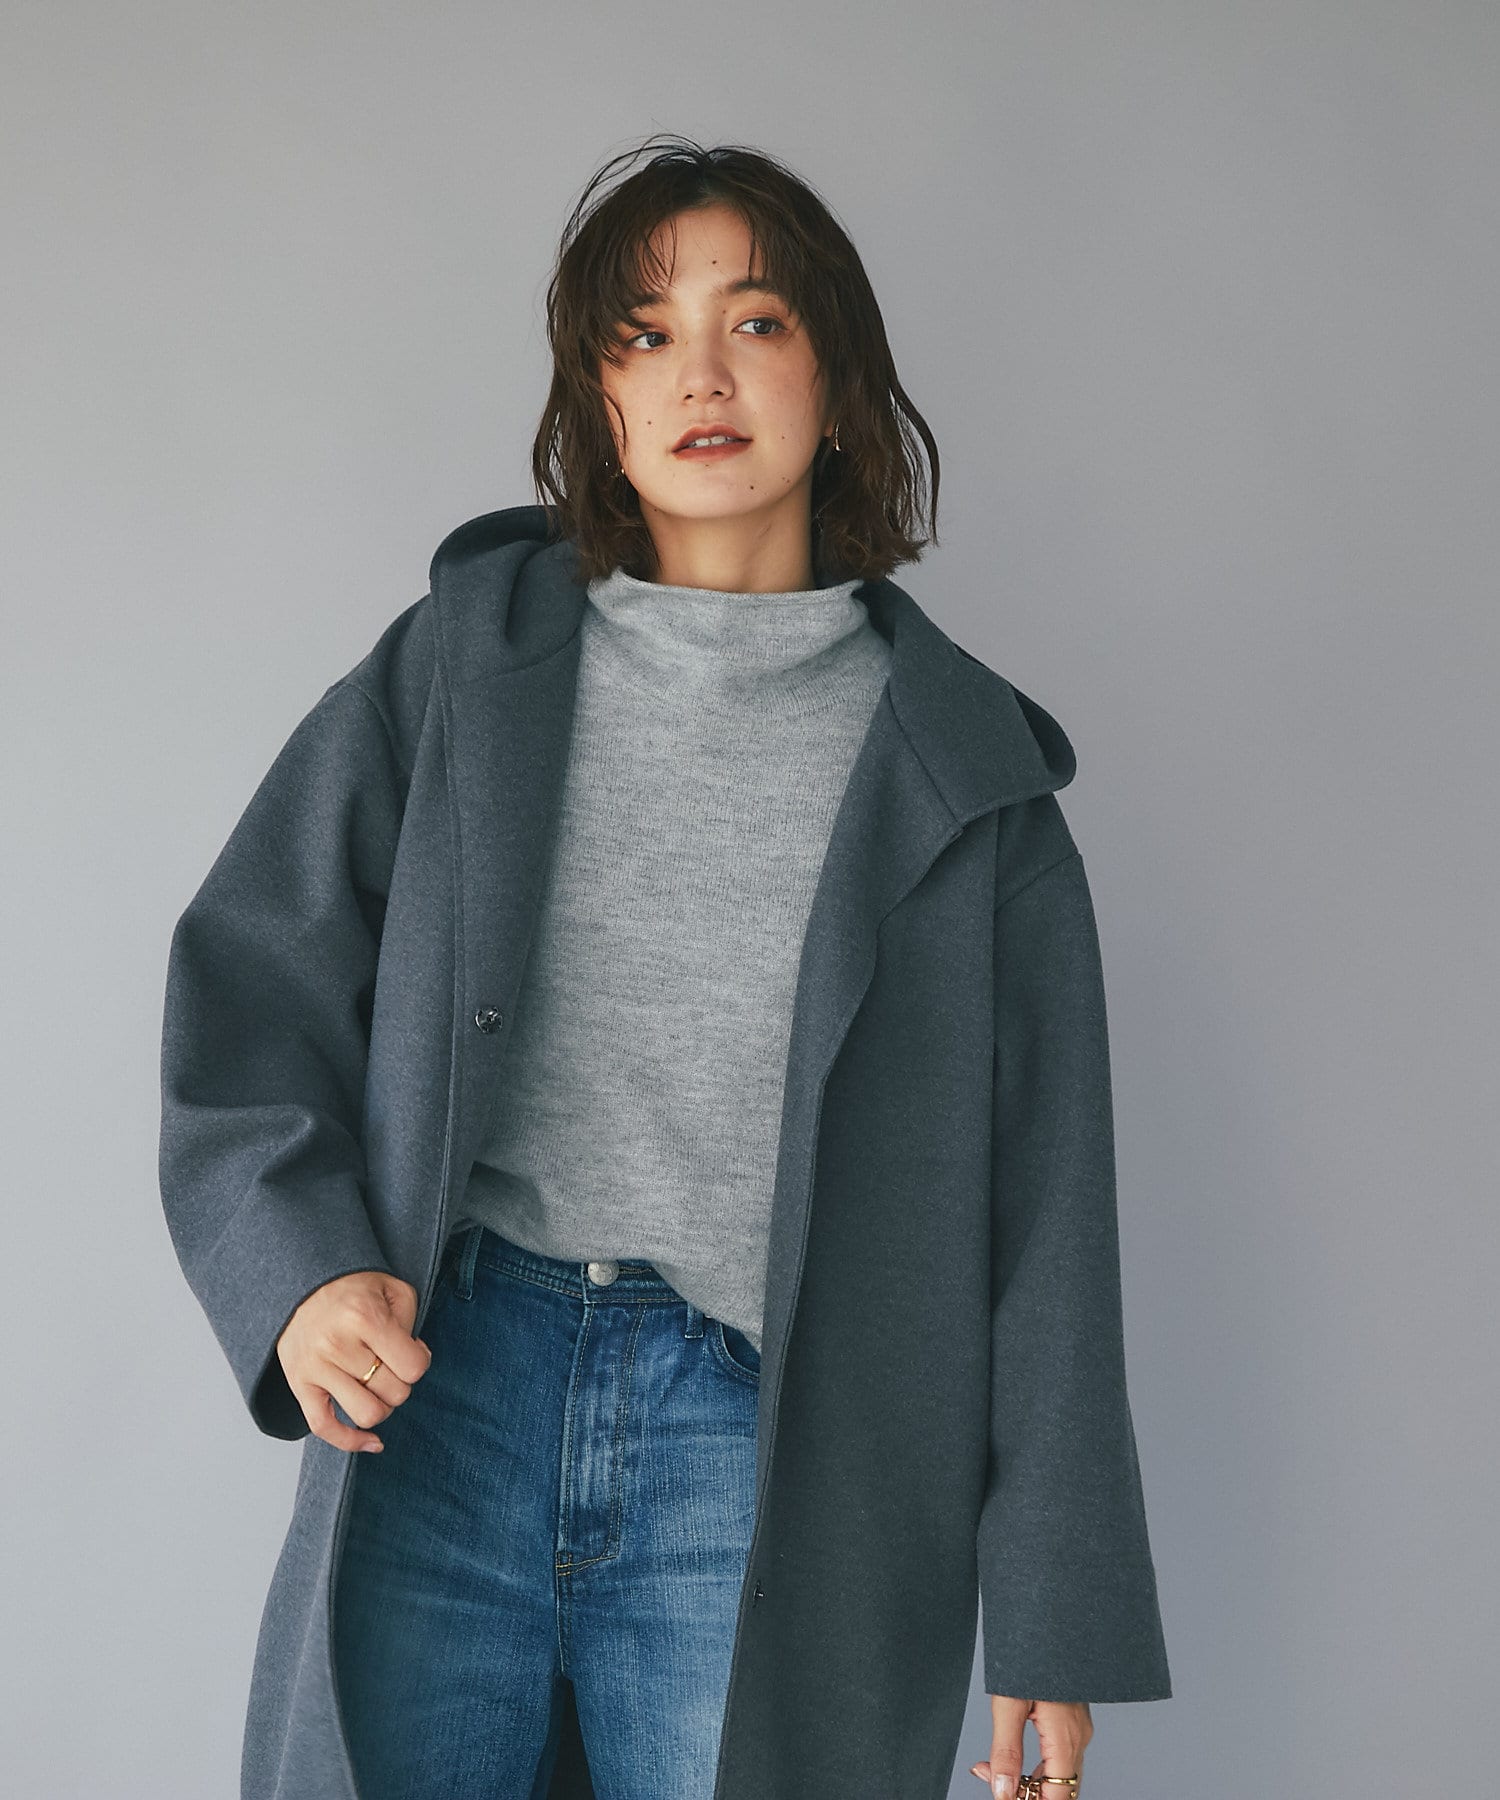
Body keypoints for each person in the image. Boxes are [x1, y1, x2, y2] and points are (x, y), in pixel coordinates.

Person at [159, 136, 1168, 1800]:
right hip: (446, 1405)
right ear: (603, 410)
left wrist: (1056, 1620)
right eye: (642, 337)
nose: (700, 371)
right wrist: (301, 1273)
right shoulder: (459, 670)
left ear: (838, 386)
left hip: (770, 1454)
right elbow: (252, 980)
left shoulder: (969, 782)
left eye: (756, 322)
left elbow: (1050, 1222)